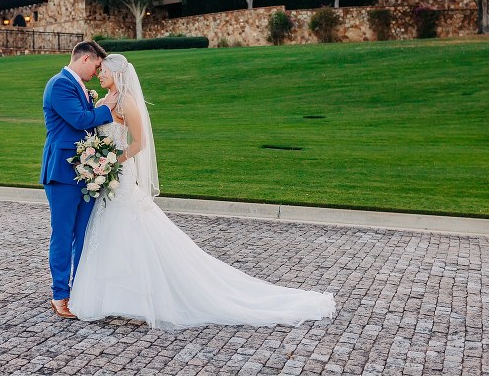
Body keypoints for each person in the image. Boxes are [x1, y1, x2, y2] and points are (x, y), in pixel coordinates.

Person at [68, 54, 335, 329]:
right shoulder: (102, 101)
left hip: (120, 174)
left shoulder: (127, 102)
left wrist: (112, 162)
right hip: (106, 176)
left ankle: (145, 294)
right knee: (107, 229)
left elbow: (139, 143)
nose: (100, 74)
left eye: (104, 70)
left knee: (130, 228)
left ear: (117, 74)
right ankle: (111, 296)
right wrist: (97, 160)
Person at [41, 41, 119, 319]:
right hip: (62, 172)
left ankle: (80, 291)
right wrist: (108, 107)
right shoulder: (60, 84)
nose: (97, 72)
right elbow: (79, 120)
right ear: (85, 59)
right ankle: (60, 295)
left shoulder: (79, 86)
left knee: (84, 234)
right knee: (63, 235)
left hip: (87, 173)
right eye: (96, 66)